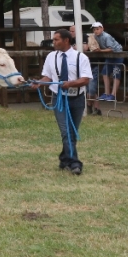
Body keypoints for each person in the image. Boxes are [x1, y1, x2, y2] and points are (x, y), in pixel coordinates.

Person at [32, 28, 92, 175]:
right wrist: (39, 82)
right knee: (66, 132)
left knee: (72, 132)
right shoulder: (51, 57)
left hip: (76, 99)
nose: (53, 42)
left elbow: (86, 79)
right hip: (58, 99)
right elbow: (48, 76)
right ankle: (75, 163)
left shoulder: (80, 58)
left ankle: (64, 158)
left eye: (56, 39)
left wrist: (70, 83)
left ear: (66, 40)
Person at [89, 22, 124, 102]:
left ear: (102, 29)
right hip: (109, 56)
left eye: (97, 29)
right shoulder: (95, 37)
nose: (96, 31)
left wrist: (100, 51)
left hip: (117, 54)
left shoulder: (106, 36)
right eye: (94, 29)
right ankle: (106, 93)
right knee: (105, 73)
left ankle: (113, 95)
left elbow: (110, 48)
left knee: (116, 74)